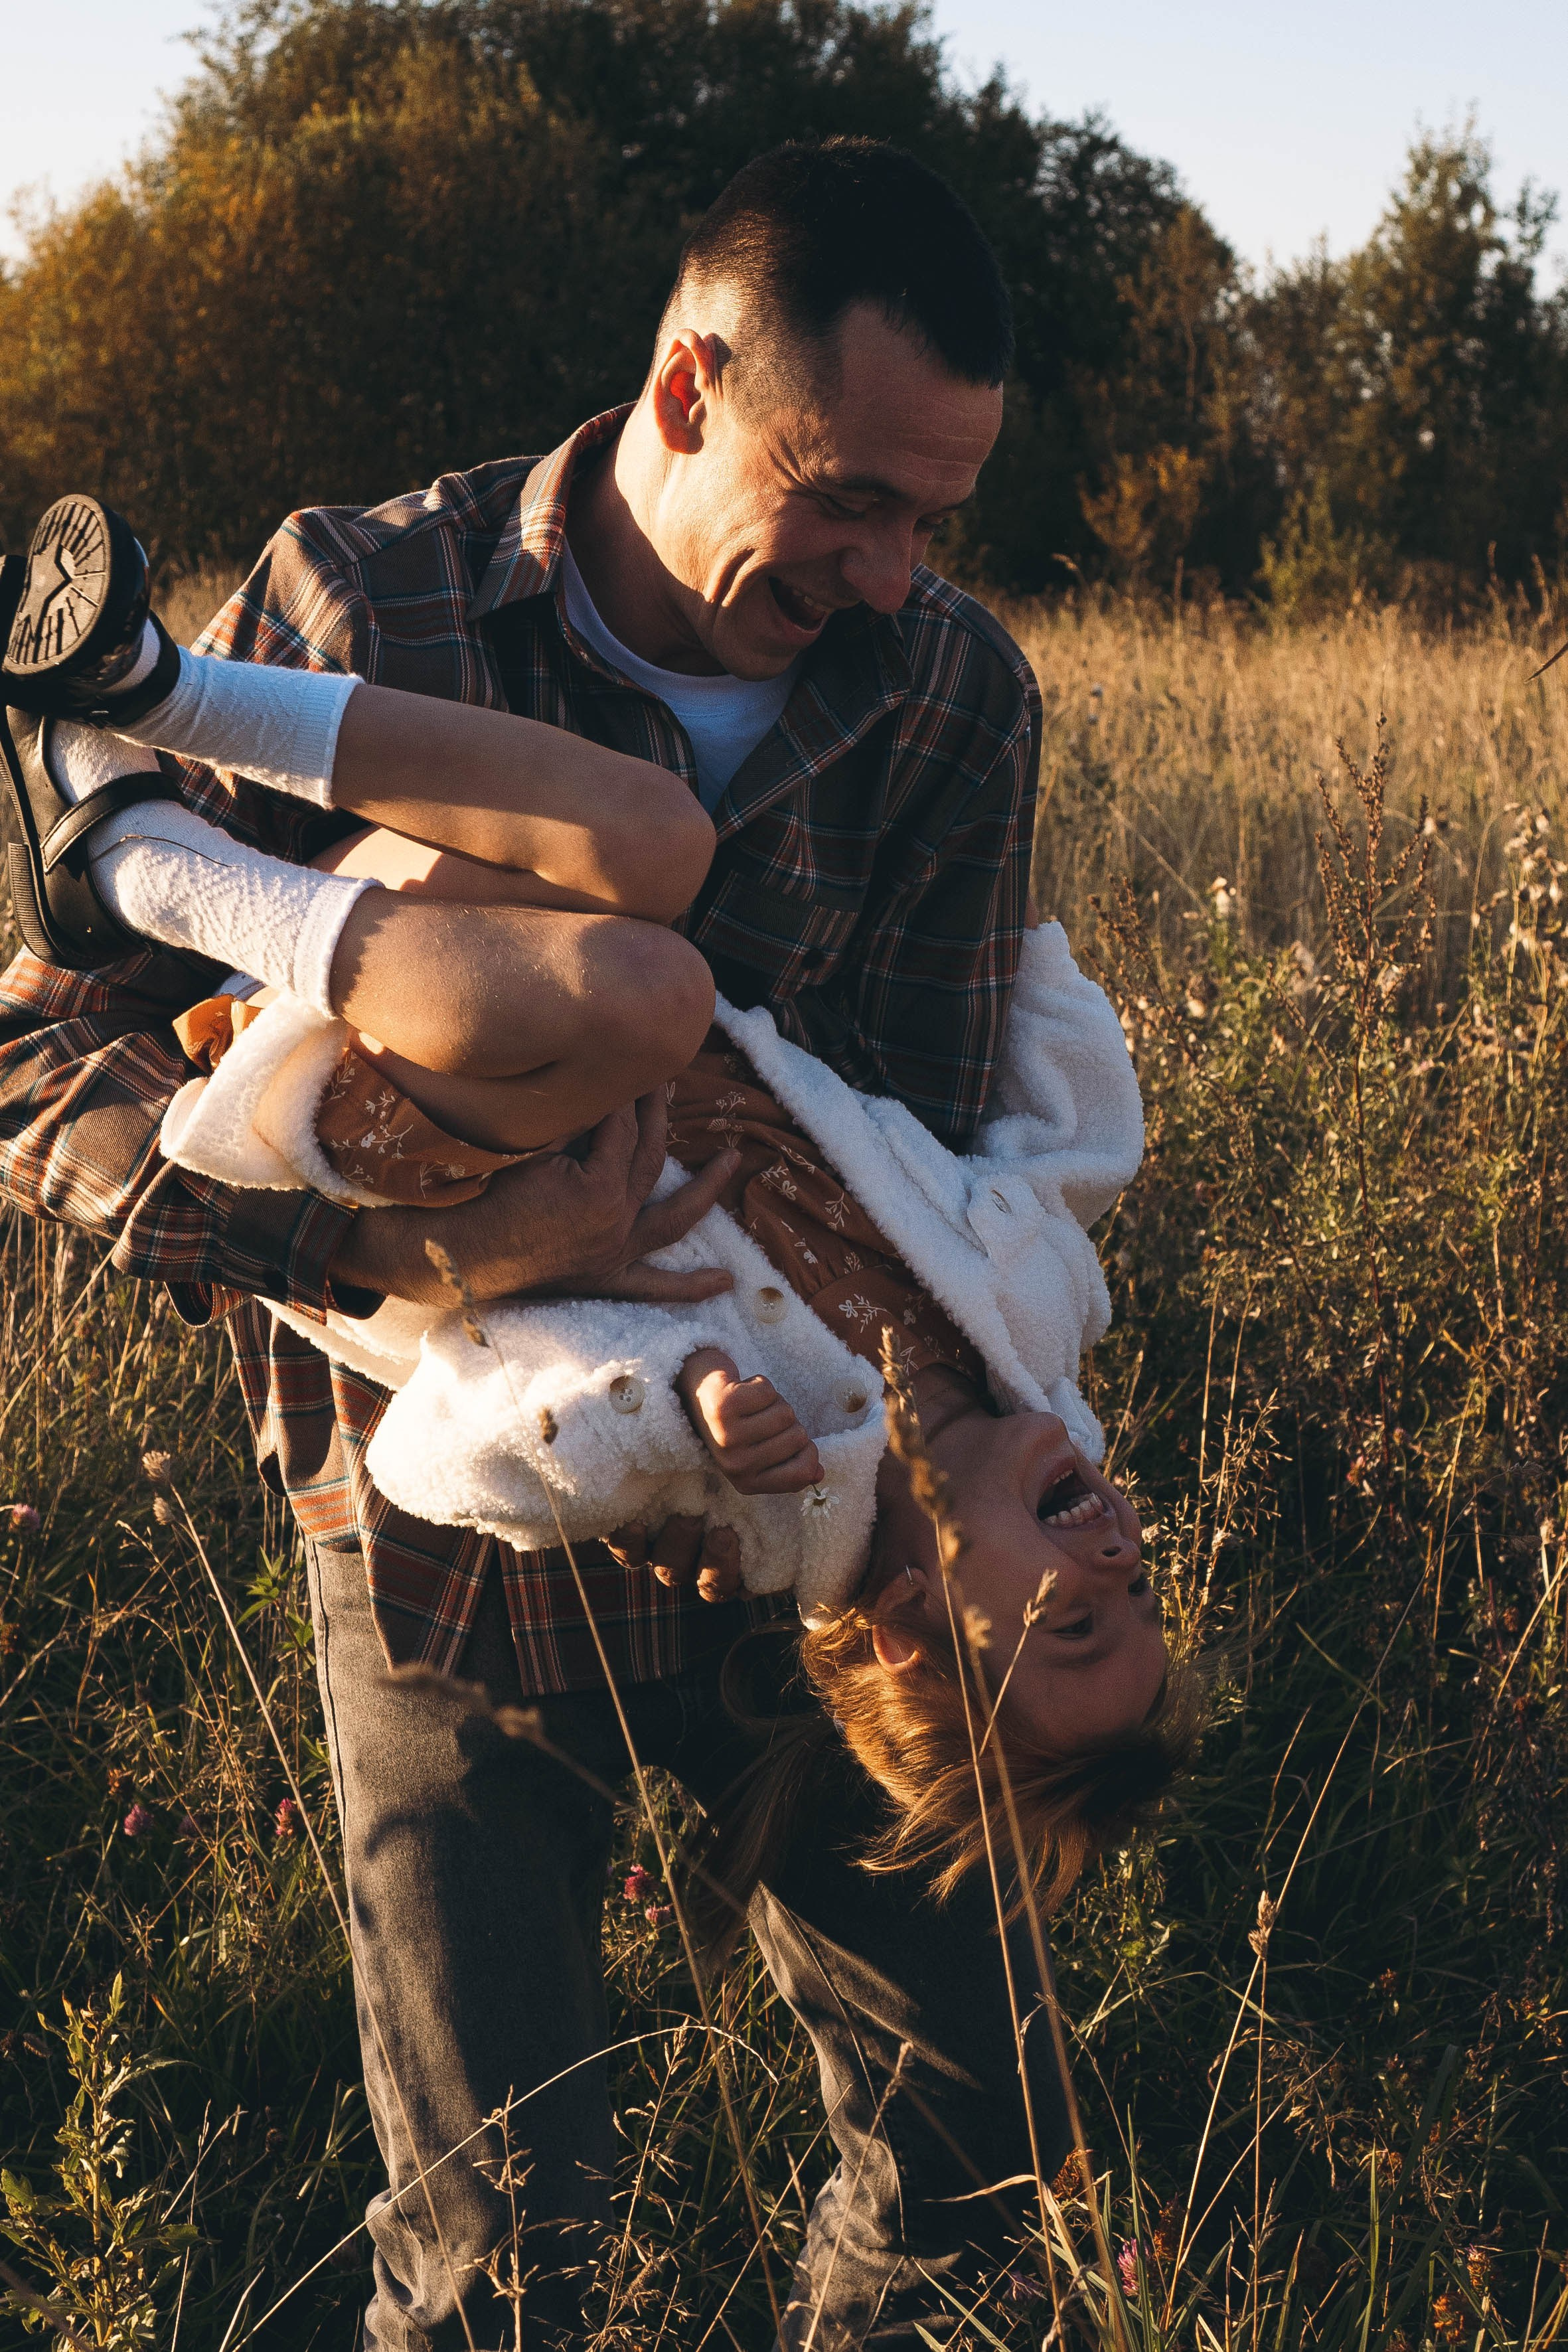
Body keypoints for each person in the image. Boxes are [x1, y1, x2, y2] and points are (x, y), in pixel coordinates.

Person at [0, 137, 1158, 2350]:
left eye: (936, 516)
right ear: (686, 382)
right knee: (501, 2256)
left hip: (845, 1593)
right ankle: (130, 799)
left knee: (966, 2186)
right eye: (848, 502)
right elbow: (37, 1076)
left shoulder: (948, 695)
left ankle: (123, 799)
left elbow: (926, 1128)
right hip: (442, 1531)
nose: (896, 577)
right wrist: (400, 1257)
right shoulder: (373, 603)